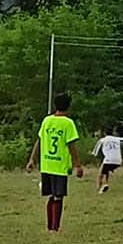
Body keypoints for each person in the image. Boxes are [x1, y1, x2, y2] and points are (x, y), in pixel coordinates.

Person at [25, 95, 83, 231]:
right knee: (58, 197)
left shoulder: (47, 121)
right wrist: (78, 165)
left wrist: (32, 159)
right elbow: (71, 146)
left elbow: (39, 140)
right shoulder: (68, 123)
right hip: (59, 166)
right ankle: (55, 228)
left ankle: (50, 227)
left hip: (46, 165)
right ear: (69, 106)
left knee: (51, 196)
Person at [93, 127, 123, 192]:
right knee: (106, 170)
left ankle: (100, 188)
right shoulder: (117, 139)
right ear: (113, 133)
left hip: (108, 160)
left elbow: (95, 151)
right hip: (118, 161)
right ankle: (105, 183)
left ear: (104, 133)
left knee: (100, 173)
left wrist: (93, 154)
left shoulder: (102, 140)